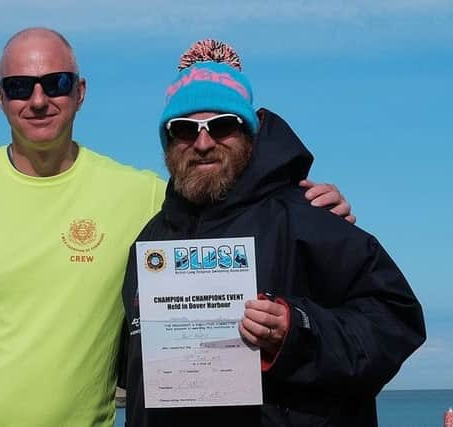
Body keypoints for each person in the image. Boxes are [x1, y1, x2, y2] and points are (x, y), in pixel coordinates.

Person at [0, 30, 355, 427]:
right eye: (20, 86)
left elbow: (236, 201)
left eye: (55, 82)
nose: (38, 100)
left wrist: (313, 206)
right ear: (1, 98)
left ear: (80, 92)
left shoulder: (145, 197)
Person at [120, 39, 426, 427]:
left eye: (222, 125)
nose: (202, 142)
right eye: (184, 129)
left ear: (249, 133)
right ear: (168, 142)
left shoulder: (309, 215)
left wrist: (294, 329)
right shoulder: (150, 243)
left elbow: (396, 322)